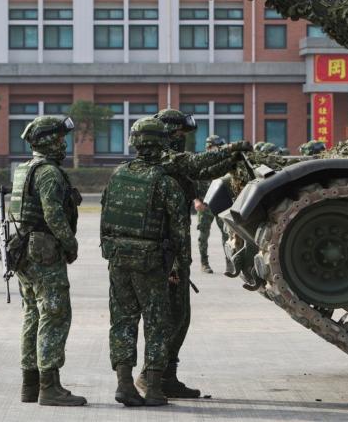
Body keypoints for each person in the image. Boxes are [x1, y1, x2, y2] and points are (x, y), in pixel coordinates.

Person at [138, 108, 250, 398]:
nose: (182, 141)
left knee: (179, 317)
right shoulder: (164, 161)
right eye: (178, 135)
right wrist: (234, 148)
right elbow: (199, 162)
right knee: (168, 318)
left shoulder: (169, 163)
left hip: (170, 252)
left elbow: (204, 171)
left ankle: (166, 375)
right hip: (165, 253)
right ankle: (151, 376)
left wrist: (232, 160)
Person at [100, 117, 186, 407]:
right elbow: (180, 232)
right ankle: (153, 388)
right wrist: (179, 266)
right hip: (151, 263)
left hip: (118, 260)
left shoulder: (117, 175)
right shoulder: (165, 183)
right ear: (162, 143)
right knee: (157, 323)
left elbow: (105, 221)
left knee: (122, 321)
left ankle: (124, 384)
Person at [10, 116, 86, 407]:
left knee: (32, 315)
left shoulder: (24, 170)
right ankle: (49, 387)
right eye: (59, 138)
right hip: (43, 252)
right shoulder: (49, 173)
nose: (63, 144)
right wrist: (70, 244)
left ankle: (30, 385)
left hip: (23, 252)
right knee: (55, 314)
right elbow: (53, 215)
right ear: (47, 141)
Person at [195, 135, 226, 274]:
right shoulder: (200, 163)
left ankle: (230, 264)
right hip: (204, 204)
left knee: (227, 235)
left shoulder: (224, 163)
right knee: (203, 236)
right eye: (217, 146)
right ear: (209, 147)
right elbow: (192, 183)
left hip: (221, 204)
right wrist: (196, 200)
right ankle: (204, 263)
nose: (219, 149)